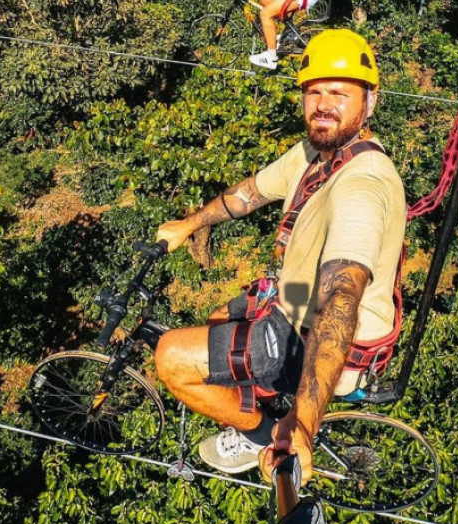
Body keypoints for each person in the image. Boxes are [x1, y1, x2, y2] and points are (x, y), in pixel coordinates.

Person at [154, 29, 406, 483]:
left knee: (170, 355)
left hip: (319, 337)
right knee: (217, 319)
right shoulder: (317, 152)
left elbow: (342, 298)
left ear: (370, 101)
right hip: (295, 299)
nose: (323, 104)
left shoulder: (361, 185)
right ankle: (263, 398)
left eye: (338, 93)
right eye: (314, 92)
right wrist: (189, 224)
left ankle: (259, 434)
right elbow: (249, 194)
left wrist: (303, 425)